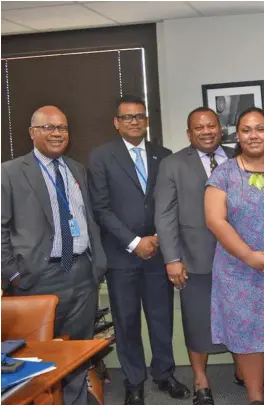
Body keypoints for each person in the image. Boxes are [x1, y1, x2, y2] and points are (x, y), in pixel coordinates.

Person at [155, 107, 264, 405]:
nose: (206, 131)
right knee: (197, 322)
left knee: (240, 318)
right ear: (189, 133)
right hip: (195, 258)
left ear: (222, 128)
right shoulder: (172, 164)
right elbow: (164, 215)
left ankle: (243, 373)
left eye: (211, 126)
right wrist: (171, 258)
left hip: (240, 256)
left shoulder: (240, 154)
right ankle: (201, 381)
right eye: (198, 127)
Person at [1, 105, 106, 405]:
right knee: (37, 356)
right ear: (32, 133)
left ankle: (75, 402)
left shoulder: (76, 169)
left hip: (82, 274)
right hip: (37, 276)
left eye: (62, 127)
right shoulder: (9, 172)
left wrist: (96, 263)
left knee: (75, 354)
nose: (57, 133)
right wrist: (14, 273)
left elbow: (88, 218)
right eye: (49, 127)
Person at [88, 95, 187, 405]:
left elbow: (171, 203)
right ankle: (133, 381)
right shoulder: (101, 157)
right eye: (128, 117)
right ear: (116, 123)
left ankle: (164, 373)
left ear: (147, 121)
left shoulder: (164, 155)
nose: (134, 121)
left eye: (140, 117)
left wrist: (157, 238)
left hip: (158, 252)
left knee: (161, 318)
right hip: (122, 255)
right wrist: (134, 242)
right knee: (127, 321)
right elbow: (101, 208)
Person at [204, 106, 264, 405]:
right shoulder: (224, 173)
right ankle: (255, 397)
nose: (254, 135)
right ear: (238, 136)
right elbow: (215, 220)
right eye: (246, 130)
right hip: (238, 271)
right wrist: (249, 256)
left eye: (260, 128)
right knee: (248, 335)